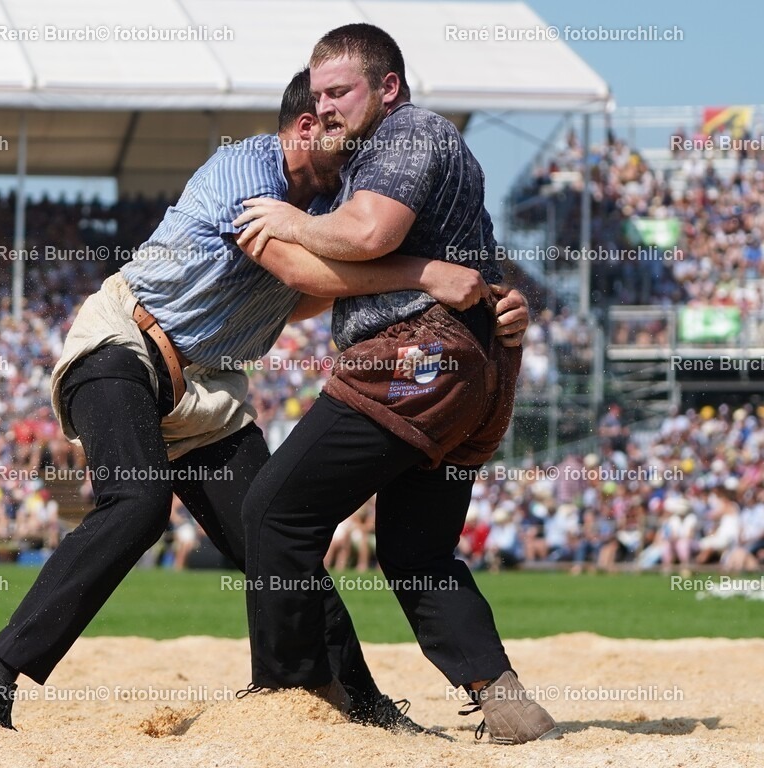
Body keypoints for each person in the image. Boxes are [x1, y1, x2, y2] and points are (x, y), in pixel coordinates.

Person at [0, 68, 531, 733]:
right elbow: (299, 271)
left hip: (207, 389)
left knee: (277, 535)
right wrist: (425, 275)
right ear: (305, 127)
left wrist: (487, 294)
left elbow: (319, 292)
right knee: (137, 506)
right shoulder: (245, 170)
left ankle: (366, 707)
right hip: (124, 343)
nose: (355, 146)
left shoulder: (329, 207)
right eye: (337, 129)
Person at [235, 25, 557, 744]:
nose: (326, 109)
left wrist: (289, 221)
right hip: (472, 371)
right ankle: (504, 700)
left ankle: (296, 691)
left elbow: (371, 233)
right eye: (317, 96)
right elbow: (466, 266)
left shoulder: (411, 133)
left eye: (340, 92)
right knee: (417, 551)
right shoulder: (397, 158)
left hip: (417, 360)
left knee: (273, 513)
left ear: (389, 88)